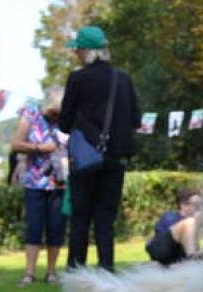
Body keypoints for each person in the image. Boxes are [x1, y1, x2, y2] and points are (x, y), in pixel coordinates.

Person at [58, 25, 141, 272]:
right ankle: (106, 267)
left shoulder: (77, 78)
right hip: (115, 157)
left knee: (81, 216)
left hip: (86, 158)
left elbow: (64, 122)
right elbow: (136, 119)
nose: (76, 54)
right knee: (106, 217)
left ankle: (76, 268)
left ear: (85, 50)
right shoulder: (123, 79)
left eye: (77, 50)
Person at [10, 88, 68, 286]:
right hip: (34, 182)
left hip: (60, 183)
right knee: (34, 227)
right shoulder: (31, 114)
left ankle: (51, 272)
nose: (56, 116)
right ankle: (29, 272)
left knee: (56, 228)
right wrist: (40, 148)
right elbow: (16, 143)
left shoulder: (68, 119)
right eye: (54, 112)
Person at [145, 187, 203, 266]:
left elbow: (190, 245)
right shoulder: (171, 217)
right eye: (196, 204)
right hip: (159, 248)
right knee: (189, 223)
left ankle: (191, 262)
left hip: (173, 255)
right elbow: (162, 241)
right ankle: (193, 262)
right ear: (183, 205)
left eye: (200, 204)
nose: (199, 208)